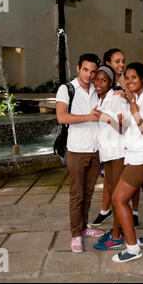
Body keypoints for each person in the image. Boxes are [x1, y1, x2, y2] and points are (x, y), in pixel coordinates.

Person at [111, 62, 143, 263]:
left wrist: (134, 110)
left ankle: (132, 249)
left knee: (118, 199)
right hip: (140, 154)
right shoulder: (138, 96)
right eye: (127, 77)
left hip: (142, 157)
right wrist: (128, 99)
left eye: (134, 77)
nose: (129, 80)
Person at [55, 53, 105, 253]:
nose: (89, 74)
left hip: (95, 151)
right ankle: (75, 235)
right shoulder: (67, 89)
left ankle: (84, 228)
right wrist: (89, 117)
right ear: (78, 68)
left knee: (89, 192)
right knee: (77, 195)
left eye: (93, 71)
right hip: (76, 150)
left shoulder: (96, 89)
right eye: (86, 69)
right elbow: (61, 117)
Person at [90, 48, 140, 227]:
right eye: (117, 61)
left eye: (123, 61)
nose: (122, 65)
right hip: (109, 149)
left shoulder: (120, 90)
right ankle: (111, 217)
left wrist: (125, 93)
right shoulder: (104, 92)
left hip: (125, 144)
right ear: (108, 63)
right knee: (111, 184)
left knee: (124, 188)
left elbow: (124, 121)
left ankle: (126, 222)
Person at [91, 65, 130, 250]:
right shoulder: (102, 99)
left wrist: (107, 118)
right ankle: (118, 229)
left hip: (118, 153)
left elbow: (123, 127)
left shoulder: (116, 98)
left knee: (117, 196)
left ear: (111, 82)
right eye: (97, 79)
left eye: (104, 80)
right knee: (115, 194)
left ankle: (116, 235)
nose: (99, 83)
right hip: (107, 154)